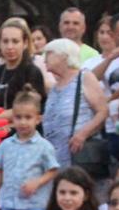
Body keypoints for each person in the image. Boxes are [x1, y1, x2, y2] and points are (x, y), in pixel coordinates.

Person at [0, 85, 59, 210]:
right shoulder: (6, 145)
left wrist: (37, 182)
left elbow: (53, 170)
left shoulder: (44, 146)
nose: (23, 122)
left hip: (34, 204)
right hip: (9, 202)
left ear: (38, 119)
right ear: (12, 119)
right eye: (19, 117)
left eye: (28, 117)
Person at [40, 38, 108, 169]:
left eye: (49, 53)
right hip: (55, 161)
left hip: (78, 157)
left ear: (64, 56)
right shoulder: (54, 88)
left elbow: (103, 111)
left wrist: (83, 134)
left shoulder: (84, 77)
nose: (44, 59)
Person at [0, 17, 47, 114]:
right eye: (5, 41)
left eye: (15, 41)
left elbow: (28, 108)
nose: (10, 47)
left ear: (25, 43)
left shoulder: (32, 72)